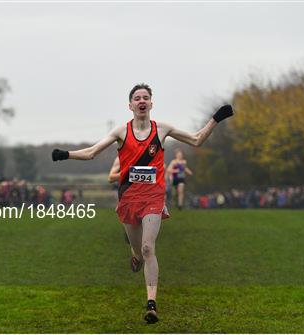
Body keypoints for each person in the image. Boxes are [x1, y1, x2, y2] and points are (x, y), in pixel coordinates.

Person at [52, 83, 233, 324]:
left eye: (145, 97)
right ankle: (134, 254)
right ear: (130, 105)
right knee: (138, 250)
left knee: (149, 248)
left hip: (153, 197)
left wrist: (216, 118)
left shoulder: (162, 129)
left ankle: (151, 304)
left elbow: (197, 139)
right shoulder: (121, 132)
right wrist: (66, 154)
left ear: (151, 103)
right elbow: (93, 152)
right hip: (128, 198)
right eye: (137, 98)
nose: (141, 101)